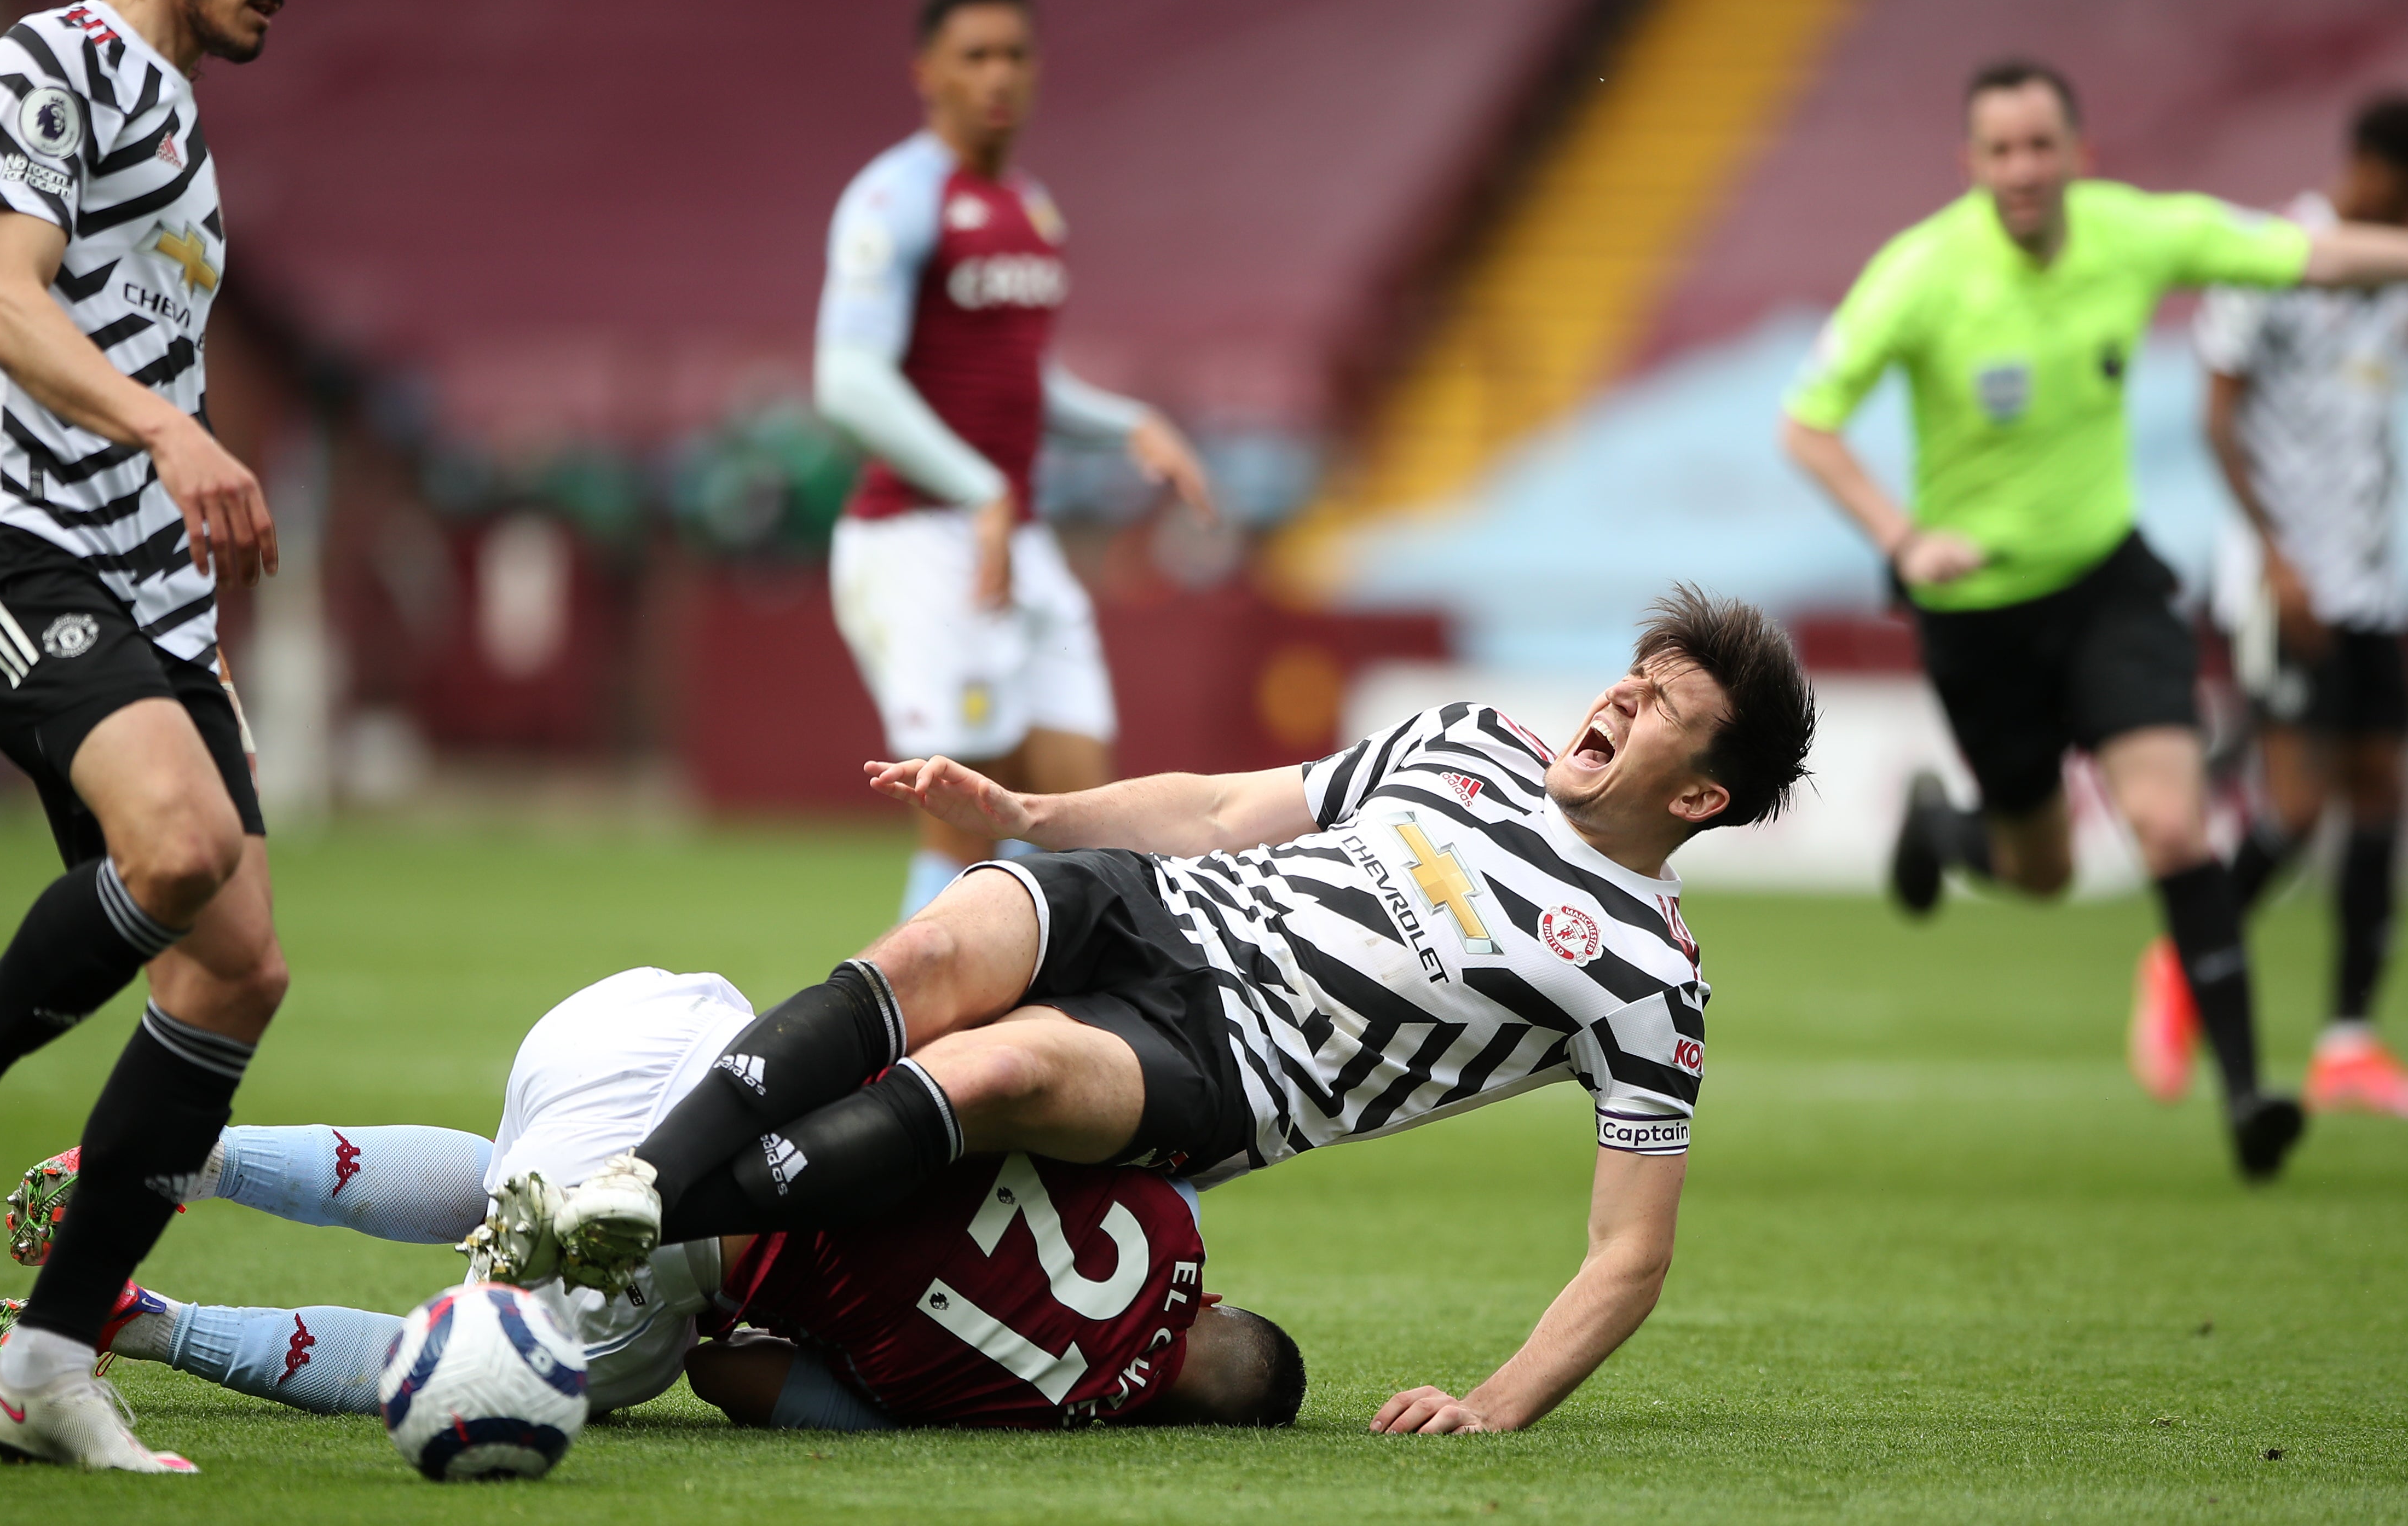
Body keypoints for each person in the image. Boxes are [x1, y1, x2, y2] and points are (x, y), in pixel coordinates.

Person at [549, 585, 1814, 1436]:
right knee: (931, 948)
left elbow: (1628, 1253)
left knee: (991, 1078)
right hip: (1147, 905)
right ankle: (618, 1196)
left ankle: (617, 1231)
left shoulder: (1648, 978)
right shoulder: (1468, 737)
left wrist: (1494, 1404)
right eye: (1632, 680)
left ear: (1699, 799)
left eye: (1661, 710)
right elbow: (1217, 814)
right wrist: (1031, 820)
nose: (1620, 701)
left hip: (1220, 1067)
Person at [1780, 59, 2408, 1180]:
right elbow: (1806, 424)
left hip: (2107, 586)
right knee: (2041, 869)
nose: (2020, 169)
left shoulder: (2132, 235)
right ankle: (1942, 832)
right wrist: (1902, 540)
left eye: (2038, 146)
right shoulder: (1917, 274)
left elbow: (2328, 254)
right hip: (1977, 615)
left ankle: (2250, 1100)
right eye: (1998, 151)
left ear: (2077, 154)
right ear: (1969, 166)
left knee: (2171, 826)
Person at [0, 0, 316, 1471]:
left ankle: (46, 1366)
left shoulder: (185, 130)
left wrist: (187, 534)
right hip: (13, 539)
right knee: (184, 850)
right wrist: (176, 440)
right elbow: (5, 301)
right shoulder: (41, 64)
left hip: (144, 591)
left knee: (240, 966)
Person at [0, 967, 1304, 1431]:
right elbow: (742, 1384)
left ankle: (192, 1158)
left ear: (1222, 1301)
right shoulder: (1038, 1406)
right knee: (474, 1367)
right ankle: (143, 1321)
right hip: (678, 1237)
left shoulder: (1166, 1214)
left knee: (521, 1187)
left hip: (672, 1032)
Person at [816, 0, 1216, 922]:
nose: (998, 74)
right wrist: (979, 490)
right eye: (974, 56)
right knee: (964, 812)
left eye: (1015, 54)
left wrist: (1126, 423)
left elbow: (1013, 380)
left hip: (1011, 537)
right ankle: (904, 1042)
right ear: (927, 73)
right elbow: (848, 378)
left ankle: (1060, 1029)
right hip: (915, 539)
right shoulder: (894, 197)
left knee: (1089, 810)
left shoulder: (1030, 206)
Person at [2195, 93, 2408, 1119]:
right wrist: (2276, 557)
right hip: (2279, 577)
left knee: (2385, 788)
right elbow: (2216, 416)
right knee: (2299, 807)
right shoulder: (2272, 257)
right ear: (2362, 164)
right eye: (2403, 190)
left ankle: (2349, 1040)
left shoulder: (2400, 285)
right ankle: (2188, 952)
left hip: (2372, 585)